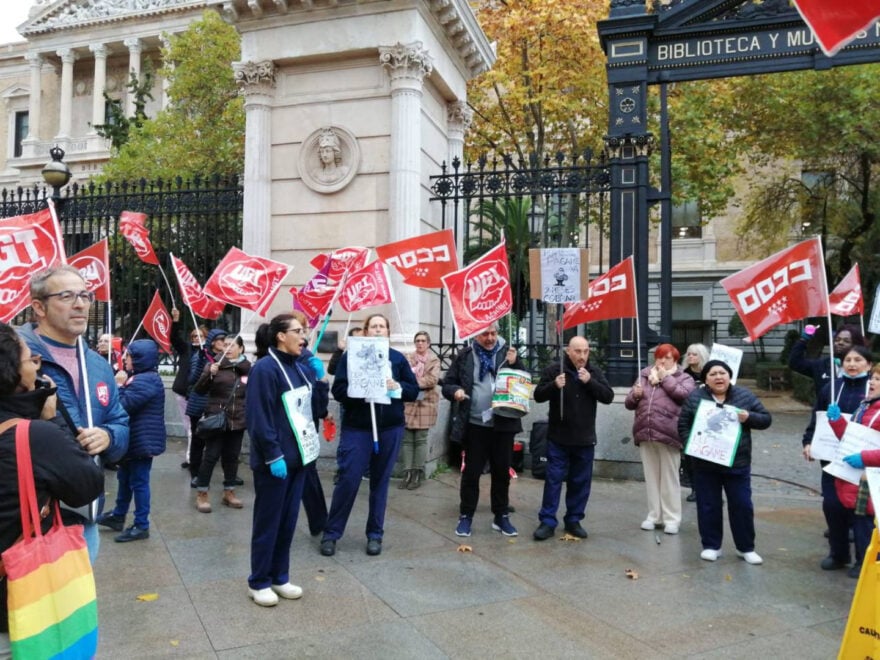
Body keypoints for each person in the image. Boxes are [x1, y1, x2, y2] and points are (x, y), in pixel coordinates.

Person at [0, 323, 104, 652]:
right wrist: (50, 416)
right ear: (10, 372)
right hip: (15, 605)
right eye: (32, 360)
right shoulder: (32, 435)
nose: (37, 367)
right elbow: (86, 484)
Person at [19, 265, 129, 561]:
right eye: (66, 296)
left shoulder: (98, 365)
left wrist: (108, 436)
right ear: (38, 307)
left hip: (83, 515)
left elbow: (120, 420)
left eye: (84, 295)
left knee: (76, 606)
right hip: (27, 518)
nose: (80, 304)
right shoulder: (15, 359)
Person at [321, 314, 418, 557]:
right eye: (373, 326)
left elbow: (413, 390)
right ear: (365, 331)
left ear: (388, 332)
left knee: (380, 483)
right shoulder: (350, 358)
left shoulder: (396, 359)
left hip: (390, 427)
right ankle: (331, 533)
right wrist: (360, 389)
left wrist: (397, 387)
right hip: (358, 428)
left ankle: (375, 534)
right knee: (349, 479)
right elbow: (339, 390)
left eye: (382, 326)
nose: (377, 330)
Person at [246, 313, 315, 607]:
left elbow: (310, 409)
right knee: (269, 522)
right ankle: (259, 581)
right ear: (280, 336)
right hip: (275, 462)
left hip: (298, 459)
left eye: (304, 331)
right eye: (298, 331)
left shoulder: (298, 367)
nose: (304, 336)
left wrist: (317, 378)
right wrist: (273, 454)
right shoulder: (265, 369)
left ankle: (279, 576)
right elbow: (259, 418)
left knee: (288, 523)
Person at [678, 359, 771, 564]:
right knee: (708, 505)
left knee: (742, 505)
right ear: (705, 379)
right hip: (704, 464)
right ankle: (712, 546)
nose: (718, 377)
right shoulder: (695, 398)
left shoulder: (744, 396)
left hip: (737, 463)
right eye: (712, 374)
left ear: (729, 376)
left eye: (722, 373)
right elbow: (683, 424)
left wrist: (749, 417)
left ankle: (745, 547)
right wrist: (690, 445)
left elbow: (766, 419)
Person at [442, 324, 525, 538]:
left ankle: (501, 516)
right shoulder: (465, 355)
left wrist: (516, 363)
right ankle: (466, 516)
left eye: (493, 334)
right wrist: (456, 391)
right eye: (485, 334)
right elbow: (448, 383)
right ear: (476, 335)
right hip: (475, 425)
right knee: (471, 473)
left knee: (501, 472)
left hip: (503, 424)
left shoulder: (508, 353)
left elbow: (524, 380)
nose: (490, 338)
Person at [532, 336, 614, 541]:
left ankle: (573, 520)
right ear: (568, 351)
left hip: (584, 439)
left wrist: (589, 382)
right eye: (578, 351)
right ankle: (547, 521)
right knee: (553, 480)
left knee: (580, 482)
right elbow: (538, 395)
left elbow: (608, 396)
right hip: (558, 438)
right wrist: (554, 385)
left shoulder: (593, 372)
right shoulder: (554, 370)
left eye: (586, 351)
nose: (582, 356)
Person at [803, 345, 873, 573]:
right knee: (833, 506)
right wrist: (808, 441)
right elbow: (817, 418)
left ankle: (863, 559)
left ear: (869, 365)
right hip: (832, 458)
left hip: (865, 463)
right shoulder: (831, 389)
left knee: (861, 512)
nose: (852, 364)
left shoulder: (872, 390)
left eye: (858, 360)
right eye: (848, 360)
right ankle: (838, 553)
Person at [96, 339, 166, 542]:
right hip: (134, 441)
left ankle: (141, 525)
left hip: (142, 442)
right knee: (124, 479)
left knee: (139, 483)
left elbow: (123, 405)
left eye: (128, 355)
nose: (124, 359)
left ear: (139, 359)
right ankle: (118, 515)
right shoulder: (139, 377)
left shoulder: (146, 380)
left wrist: (117, 384)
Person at [625, 344, 695, 535]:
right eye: (659, 357)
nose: (662, 361)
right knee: (652, 477)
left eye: (668, 358)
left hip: (669, 434)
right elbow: (629, 403)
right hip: (646, 432)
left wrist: (666, 379)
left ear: (675, 360)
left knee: (669, 478)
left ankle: (672, 518)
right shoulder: (645, 374)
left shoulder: (684, 377)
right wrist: (634, 395)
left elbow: (685, 397)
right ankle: (654, 515)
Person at [829, 362, 880, 578]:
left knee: (865, 522)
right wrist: (837, 421)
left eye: (878, 379)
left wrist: (865, 457)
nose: (873, 382)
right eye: (873, 377)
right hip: (856, 477)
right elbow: (851, 438)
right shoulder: (865, 406)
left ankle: (867, 563)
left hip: (871, 477)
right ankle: (860, 560)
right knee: (858, 519)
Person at [192, 334, 250, 512]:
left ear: (241, 348)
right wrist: (209, 374)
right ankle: (202, 493)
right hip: (217, 419)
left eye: (233, 345)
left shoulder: (248, 369)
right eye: (225, 345)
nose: (228, 348)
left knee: (232, 457)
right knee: (211, 456)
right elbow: (199, 390)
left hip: (238, 420)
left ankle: (229, 492)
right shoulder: (214, 365)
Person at [184, 327, 228, 486]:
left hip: (216, 405)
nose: (224, 343)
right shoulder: (201, 356)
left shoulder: (224, 357)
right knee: (198, 441)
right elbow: (193, 379)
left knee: (216, 442)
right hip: (200, 405)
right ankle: (195, 474)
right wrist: (203, 364)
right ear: (213, 342)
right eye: (221, 340)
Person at [398, 331, 440, 490]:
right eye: (417, 340)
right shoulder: (408, 358)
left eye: (423, 341)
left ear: (428, 343)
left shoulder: (434, 359)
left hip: (425, 403)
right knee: (407, 439)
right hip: (409, 402)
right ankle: (407, 472)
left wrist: (413, 382)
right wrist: (411, 381)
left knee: (421, 439)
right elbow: (401, 376)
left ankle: (417, 473)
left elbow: (432, 379)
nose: (420, 343)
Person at [170, 309, 207, 469]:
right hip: (183, 394)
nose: (196, 339)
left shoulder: (209, 353)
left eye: (199, 336)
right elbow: (174, 338)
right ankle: (191, 457)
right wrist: (176, 320)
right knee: (189, 428)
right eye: (193, 336)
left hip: (201, 395)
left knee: (199, 428)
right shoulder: (186, 349)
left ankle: (197, 456)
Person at [789, 323, 865, 400]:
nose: (840, 343)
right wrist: (803, 340)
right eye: (837, 340)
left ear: (856, 345)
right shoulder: (821, 365)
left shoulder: (863, 368)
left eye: (846, 341)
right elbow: (795, 362)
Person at [680, 343, 710, 502]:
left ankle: (710, 489)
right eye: (689, 354)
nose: (691, 357)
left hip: (708, 420)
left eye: (694, 354)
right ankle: (694, 489)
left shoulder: (710, 373)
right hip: (689, 419)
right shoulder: (683, 374)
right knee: (690, 458)